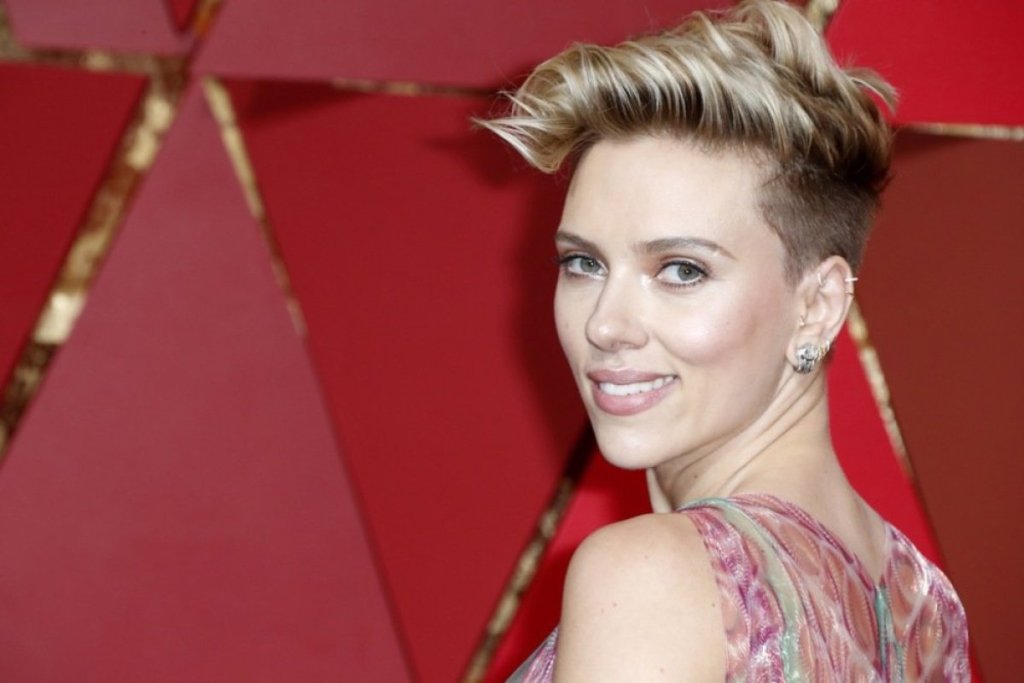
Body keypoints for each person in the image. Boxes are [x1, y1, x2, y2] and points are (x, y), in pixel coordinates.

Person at [478, 1, 969, 680]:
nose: (604, 324)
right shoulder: (930, 612)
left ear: (818, 305)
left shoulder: (650, 575)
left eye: (681, 270)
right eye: (583, 262)